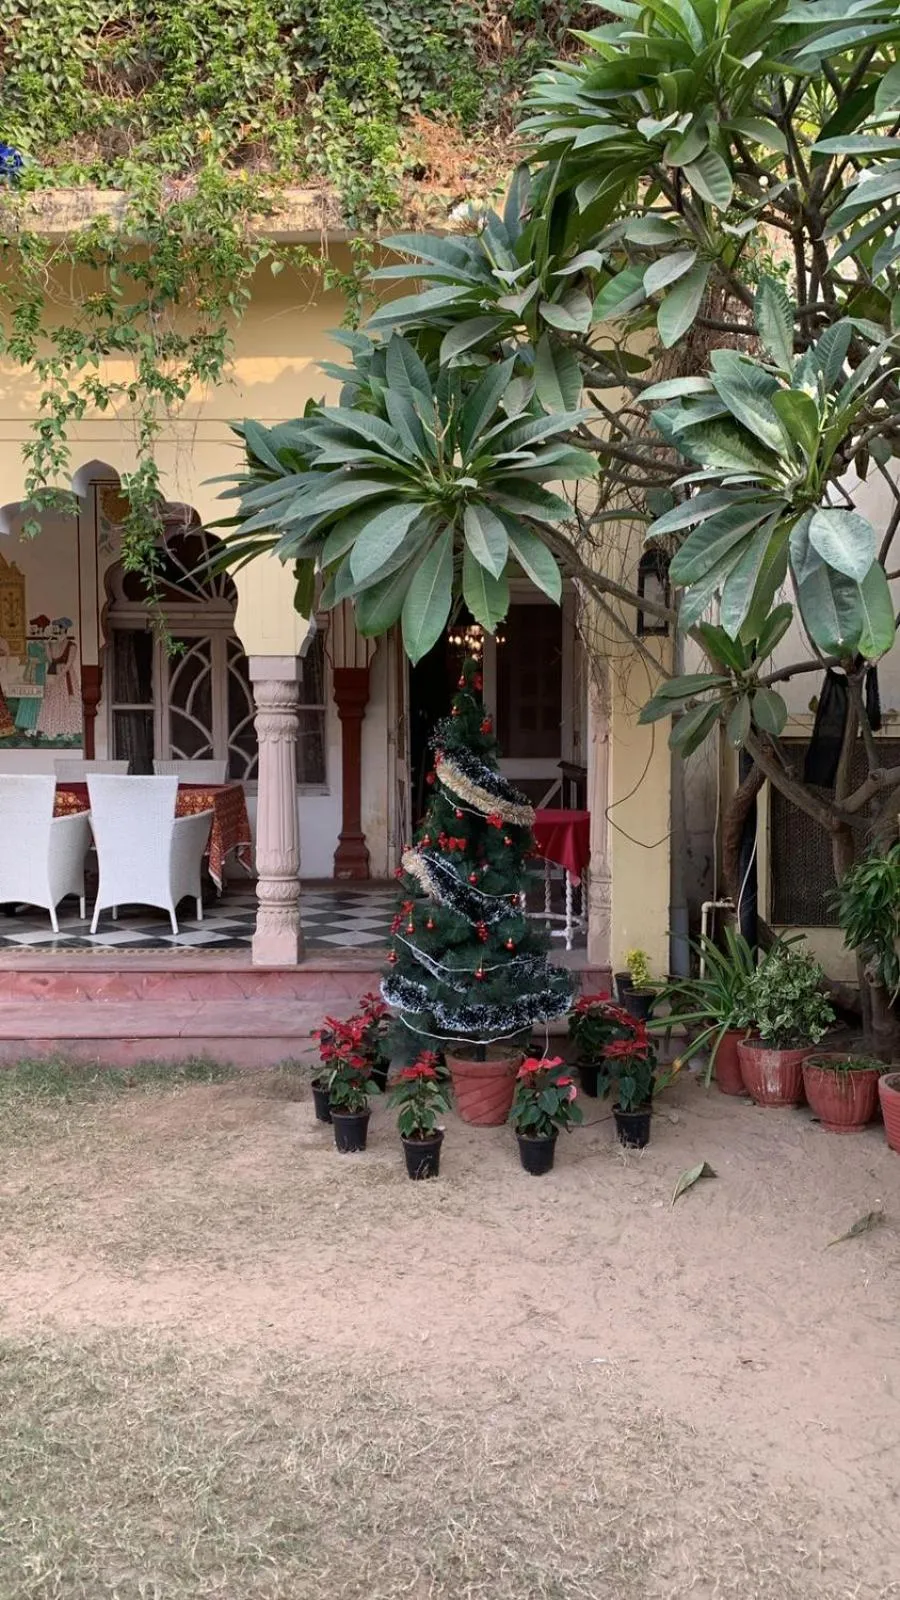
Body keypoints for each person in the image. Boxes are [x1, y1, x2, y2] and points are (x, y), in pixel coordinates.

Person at [36, 619, 81, 741]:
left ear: (64, 629)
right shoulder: (53, 644)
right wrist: (46, 644)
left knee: (66, 701)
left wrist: (59, 677)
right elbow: (51, 660)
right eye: (55, 628)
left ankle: (67, 730)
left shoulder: (72, 645)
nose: (57, 631)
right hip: (52, 673)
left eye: (59, 628)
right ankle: (52, 728)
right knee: (51, 701)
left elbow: (69, 664)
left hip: (65, 676)